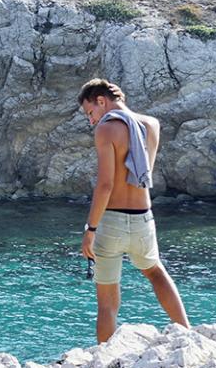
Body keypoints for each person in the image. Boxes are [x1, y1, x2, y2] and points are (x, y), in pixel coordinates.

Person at [77, 78, 191, 343]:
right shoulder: (151, 125)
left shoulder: (107, 130)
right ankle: (187, 332)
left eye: (90, 112)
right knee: (155, 272)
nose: (91, 120)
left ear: (101, 101)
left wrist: (90, 229)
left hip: (112, 221)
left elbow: (105, 185)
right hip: (143, 219)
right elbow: (143, 174)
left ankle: (104, 356)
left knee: (107, 302)